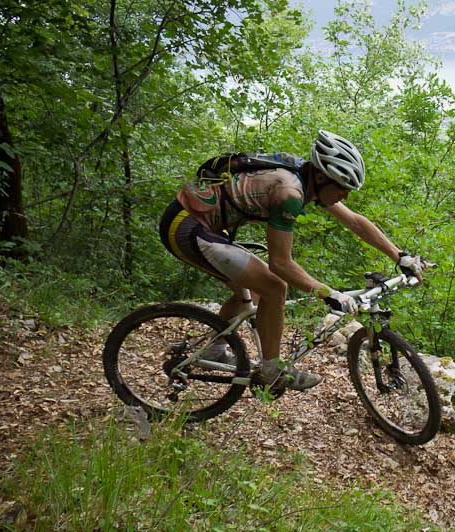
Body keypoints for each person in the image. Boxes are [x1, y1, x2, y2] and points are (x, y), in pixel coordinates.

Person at [159, 130, 425, 390]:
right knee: (275, 286)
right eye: (343, 188)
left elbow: (355, 221)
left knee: (251, 293)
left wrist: (399, 255)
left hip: (204, 223)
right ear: (322, 176)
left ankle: (215, 350)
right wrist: (330, 293)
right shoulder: (290, 194)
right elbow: (281, 264)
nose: (346, 195)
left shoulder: (305, 178)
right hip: (186, 227)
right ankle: (272, 371)